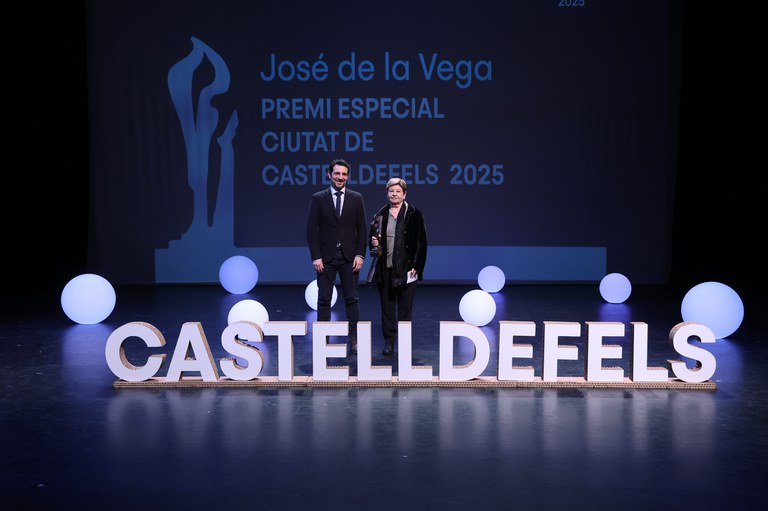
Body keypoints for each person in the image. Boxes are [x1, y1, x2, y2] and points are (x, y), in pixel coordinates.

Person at [306, 158, 368, 354]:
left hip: (350, 258)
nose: (340, 177)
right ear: (329, 175)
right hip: (326, 258)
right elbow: (311, 230)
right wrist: (316, 256)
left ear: (347, 176)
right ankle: (323, 340)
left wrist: (360, 254)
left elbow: (362, 229)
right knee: (324, 299)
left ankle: (354, 339)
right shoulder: (318, 198)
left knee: (352, 299)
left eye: (344, 174)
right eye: (337, 174)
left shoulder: (356, 198)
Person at [368, 178, 428, 356]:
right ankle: (389, 342)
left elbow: (422, 242)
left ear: (404, 194)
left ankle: (404, 342)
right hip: (385, 269)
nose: (394, 194)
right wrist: (374, 243)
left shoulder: (414, 214)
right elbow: (373, 243)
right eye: (391, 191)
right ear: (387, 193)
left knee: (405, 309)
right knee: (387, 308)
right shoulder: (380, 214)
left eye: (398, 191)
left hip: (407, 270)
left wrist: (418, 265)